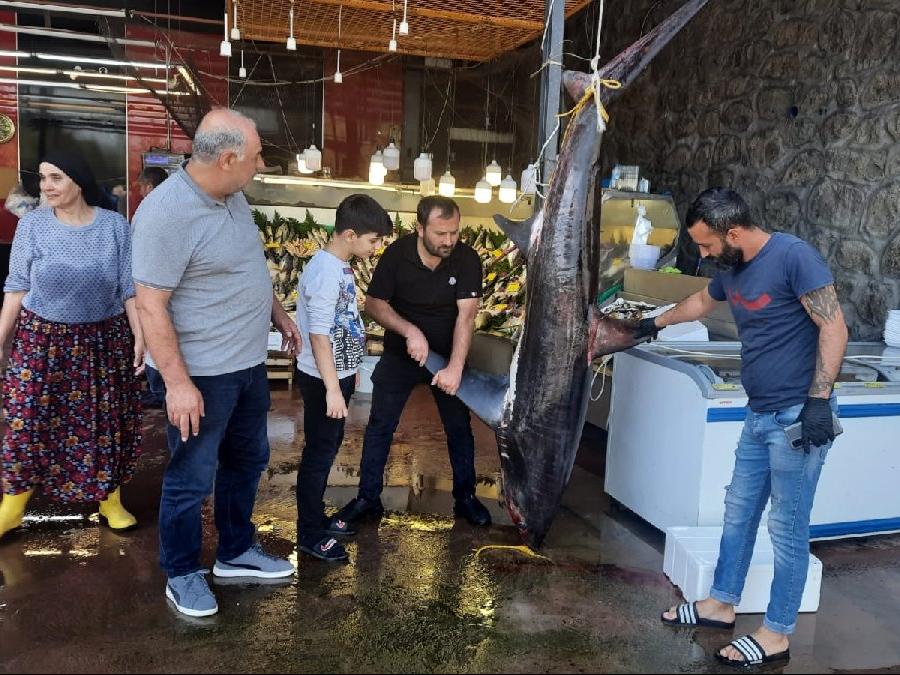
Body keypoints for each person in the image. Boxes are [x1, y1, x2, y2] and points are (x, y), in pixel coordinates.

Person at [640, 188, 848, 668]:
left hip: (797, 417)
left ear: (733, 233)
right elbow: (700, 301)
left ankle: (777, 633)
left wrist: (818, 401)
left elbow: (834, 327)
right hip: (759, 414)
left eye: (707, 244)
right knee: (737, 511)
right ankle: (720, 603)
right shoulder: (732, 269)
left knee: (787, 526)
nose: (704, 254)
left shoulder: (793, 257)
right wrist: (652, 324)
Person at [132, 108, 301, 618]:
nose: (260, 165)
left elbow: (246, 267)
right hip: (200, 374)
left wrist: (278, 314)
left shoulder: (233, 195)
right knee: (192, 475)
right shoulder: (166, 214)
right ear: (227, 158)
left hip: (247, 365)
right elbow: (151, 305)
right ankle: (182, 571)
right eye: (256, 156)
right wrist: (179, 384)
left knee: (247, 461)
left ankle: (235, 550)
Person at [0, 151, 144, 541]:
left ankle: (110, 501)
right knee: (27, 421)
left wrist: (141, 336)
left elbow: (129, 288)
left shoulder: (114, 226)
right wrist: (1, 340)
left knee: (104, 423)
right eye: (43, 178)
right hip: (41, 339)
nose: (46, 186)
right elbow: (16, 286)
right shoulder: (32, 225)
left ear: (78, 182)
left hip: (102, 340)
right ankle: (12, 508)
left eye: (56, 178)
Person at [336, 195, 491, 528]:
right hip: (401, 354)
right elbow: (374, 304)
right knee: (380, 425)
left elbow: (466, 317)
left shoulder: (467, 259)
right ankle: (367, 497)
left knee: (459, 428)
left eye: (454, 232)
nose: (449, 240)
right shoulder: (397, 255)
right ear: (420, 228)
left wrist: (455, 367)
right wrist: (410, 331)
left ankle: (465, 497)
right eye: (440, 233)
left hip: (447, 356)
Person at [295, 194, 392, 562]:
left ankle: (316, 517)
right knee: (319, 455)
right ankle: (309, 532)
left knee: (328, 447)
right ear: (350, 234)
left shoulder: (340, 266)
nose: (376, 247)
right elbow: (319, 335)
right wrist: (333, 389)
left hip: (338, 375)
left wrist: (347, 374)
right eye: (373, 240)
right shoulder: (324, 272)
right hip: (324, 379)